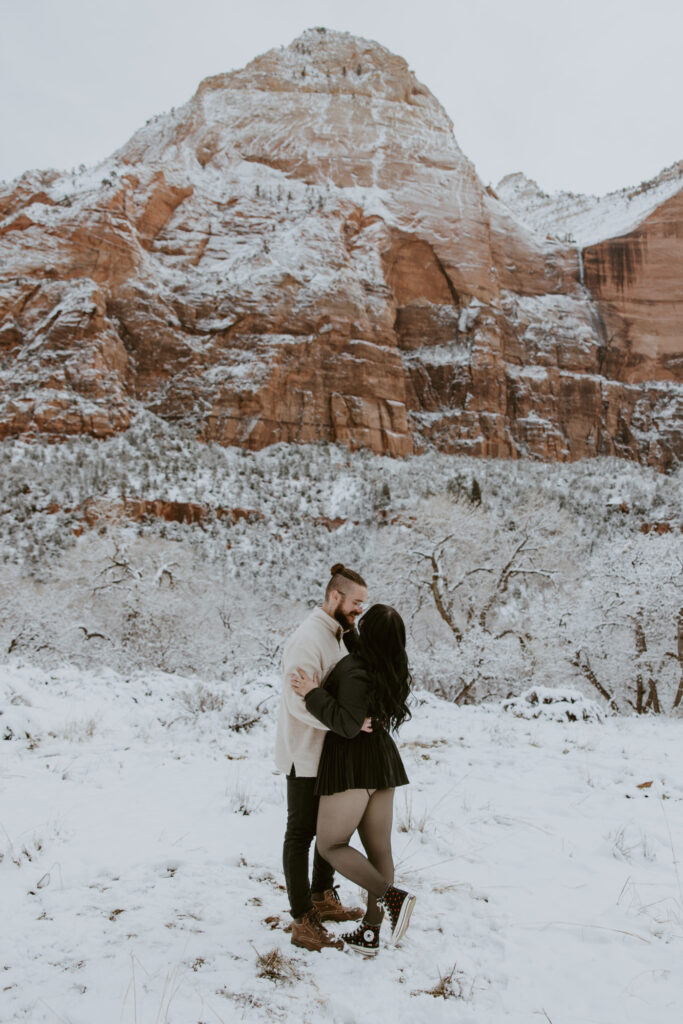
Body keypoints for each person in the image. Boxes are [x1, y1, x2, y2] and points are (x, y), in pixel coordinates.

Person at [291, 604, 416, 958]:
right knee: (380, 851)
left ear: (370, 633)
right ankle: (372, 933)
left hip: (353, 763)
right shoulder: (388, 664)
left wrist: (312, 692)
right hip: (383, 762)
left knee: (331, 844)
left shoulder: (356, 670)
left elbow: (346, 725)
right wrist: (347, 628)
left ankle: (394, 897)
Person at [275, 563, 369, 952]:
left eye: (364, 603)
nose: (360, 609)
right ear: (335, 596)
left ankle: (322, 896)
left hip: (329, 750)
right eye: (356, 602)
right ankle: (302, 919)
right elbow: (298, 701)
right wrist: (344, 723)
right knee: (301, 833)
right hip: (305, 752)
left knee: (329, 831)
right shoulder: (308, 639)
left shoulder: (338, 633)